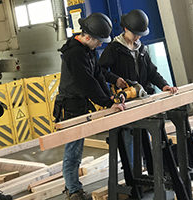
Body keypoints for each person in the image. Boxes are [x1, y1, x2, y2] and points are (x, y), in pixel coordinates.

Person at [53, 13, 125, 200]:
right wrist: (108, 103)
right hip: (70, 106)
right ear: (87, 37)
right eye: (98, 41)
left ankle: (73, 186)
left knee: (77, 147)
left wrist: (110, 97)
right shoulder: (74, 54)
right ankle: (73, 189)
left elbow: (97, 75)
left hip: (81, 103)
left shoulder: (87, 50)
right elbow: (87, 82)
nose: (100, 45)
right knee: (74, 149)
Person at [98, 9, 178, 167]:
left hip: (143, 97)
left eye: (140, 34)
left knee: (147, 135)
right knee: (129, 138)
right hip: (126, 100)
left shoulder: (142, 49)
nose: (137, 37)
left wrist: (164, 85)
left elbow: (151, 72)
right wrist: (115, 79)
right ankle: (135, 173)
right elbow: (100, 71)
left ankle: (151, 168)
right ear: (126, 29)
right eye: (135, 33)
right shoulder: (114, 49)